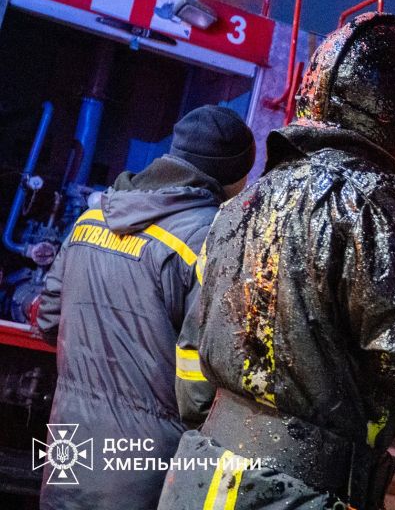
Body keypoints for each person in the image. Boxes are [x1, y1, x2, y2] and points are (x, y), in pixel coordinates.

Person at [157, 12, 395, 510]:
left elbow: (194, 359)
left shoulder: (248, 199)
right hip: (299, 493)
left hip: (200, 478)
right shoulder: (376, 205)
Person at [36, 105, 255, 510]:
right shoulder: (210, 239)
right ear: (232, 175)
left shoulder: (91, 219)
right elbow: (201, 381)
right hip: (145, 472)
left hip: (69, 455)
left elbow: (47, 321)